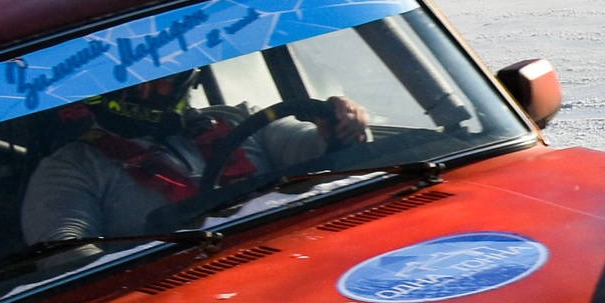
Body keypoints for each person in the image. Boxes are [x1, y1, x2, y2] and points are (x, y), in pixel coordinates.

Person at [19, 71, 369, 245]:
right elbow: (69, 259)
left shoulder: (237, 120)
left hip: (294, 254)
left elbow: (323, 154)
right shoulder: (70, 169)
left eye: (165, 79)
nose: (154, 90)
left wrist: (341, 125)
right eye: (139, 82)